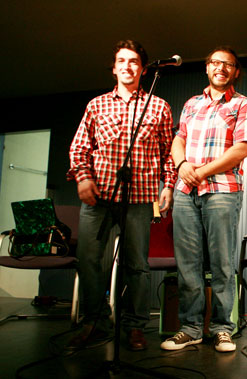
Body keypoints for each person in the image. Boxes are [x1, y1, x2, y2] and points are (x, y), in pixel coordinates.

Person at [67, 40, 176, 351]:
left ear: (142, 69)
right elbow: (79, 148)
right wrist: (84, 179)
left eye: (134, 62)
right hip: (98, 197)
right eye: (121, 61)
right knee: (89, 260)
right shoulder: (96, 105)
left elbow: (168, 153)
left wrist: (167, 185)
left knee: (137, 265)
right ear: (114, 68)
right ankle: (94, 323)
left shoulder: (159, 105)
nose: (127, 66)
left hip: (140, 198)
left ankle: (133, 326)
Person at [160, 46, 247, 353]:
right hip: (186, 191)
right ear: (207, 68)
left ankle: (223, 329)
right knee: (188, 264)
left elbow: (241, 148)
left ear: (235, 72)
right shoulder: (191, 103)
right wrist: (182, 166)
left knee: (223, 263)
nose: (221, 68)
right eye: (215, 62)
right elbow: (179, 139)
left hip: (223, 190)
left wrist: (200, 171)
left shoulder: (243, 104)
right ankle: (190, 328)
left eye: (228, 64)